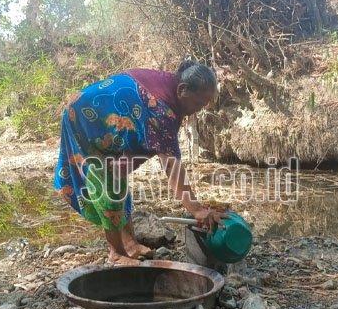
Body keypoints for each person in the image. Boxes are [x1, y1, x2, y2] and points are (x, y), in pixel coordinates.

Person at [54, 60, 227, 265]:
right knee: (108, 182)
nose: (199, 109)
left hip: (102, 114)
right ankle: (116, 252)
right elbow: (172, 166)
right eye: (199, 103)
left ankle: (130, 244)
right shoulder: (162, 108)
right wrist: (196, 209)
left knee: (118, 176)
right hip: (85, 118)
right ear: (183, 90)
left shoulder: (170, 86)